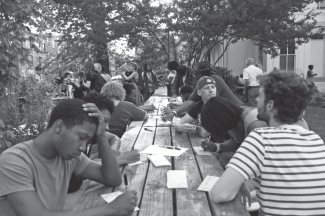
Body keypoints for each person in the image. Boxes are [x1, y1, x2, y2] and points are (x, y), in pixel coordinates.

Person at [209, 71, 325, 216]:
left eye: (260, 96)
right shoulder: (315, 140)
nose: (256, 100)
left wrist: (236, 186)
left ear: (270, 105)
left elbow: (219, 194)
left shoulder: (261, 138)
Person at [0, 99, 138, 216]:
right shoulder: (14, 161)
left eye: (88, 141)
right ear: (59, 126)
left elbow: (112, 179)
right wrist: (112, 208)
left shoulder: (70, 157)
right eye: (81, 138)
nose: (83, 148)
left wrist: (101, 135)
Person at [68, 92, 140, 194]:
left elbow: (115, 138)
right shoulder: (71, 143)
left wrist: (112, 150)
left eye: (106, 121)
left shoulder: (92, 134)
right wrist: (121, 159)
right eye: (103, 121)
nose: (107, 127)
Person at [166, 61, 243, 121]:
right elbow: (191, 102)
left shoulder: (213, 80)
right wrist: (174, 112)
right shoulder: (205, 81)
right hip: (230, 112)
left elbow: (206, 107)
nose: (194, 76)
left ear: (200, 73)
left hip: (237, 113)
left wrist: (176, 112)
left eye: (195, 74)